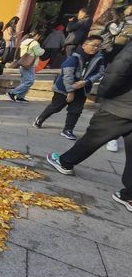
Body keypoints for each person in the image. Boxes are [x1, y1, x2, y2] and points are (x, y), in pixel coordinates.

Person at [46, 42, 132, 212]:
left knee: (94, 136)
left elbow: (120, 68)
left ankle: (65, 162)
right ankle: (130, 195)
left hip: (124, 104)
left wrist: (105, 93)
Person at [33, 35, 104, 140]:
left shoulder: (99, 58)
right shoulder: (74, 57)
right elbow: (67, 75)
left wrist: (86, 82)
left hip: (82, 89)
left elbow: (100, 73)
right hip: (64, 88)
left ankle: (68, 130)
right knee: (56, 107)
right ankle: (40, 118)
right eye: (94, 45)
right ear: (85, 45)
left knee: (76, 110)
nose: (96, 48)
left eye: (98, 46)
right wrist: (70, 91)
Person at [6, 31, 45, 103]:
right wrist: (43, 50)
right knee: (30, 81)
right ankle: (12, 92)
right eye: (39, 36)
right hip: (29, 64)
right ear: (37, 36)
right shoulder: (35, 43)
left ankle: (20, 97)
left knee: (24, 81)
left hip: (23, 63)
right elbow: (38, 52)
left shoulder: (24, 41)